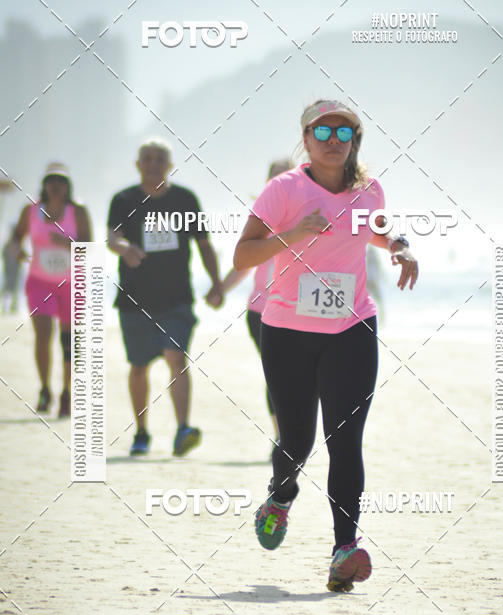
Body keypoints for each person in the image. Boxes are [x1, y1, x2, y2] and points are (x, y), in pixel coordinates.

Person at [233, 100, 418, 592]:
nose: (333, 139)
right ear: (306, 139)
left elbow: (378, 230)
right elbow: (243, 254)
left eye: (343, 131)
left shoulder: (368, 191)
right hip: (287, 333)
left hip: (352, 329)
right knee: (297, 440)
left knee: (346, 442)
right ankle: (280, 497)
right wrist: (291, 235)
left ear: (355, 140)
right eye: (322, 131)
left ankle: (344, 549)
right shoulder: (283, 190)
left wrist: (400, 246)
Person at [107, 139, 224, 456]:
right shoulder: (124, 199)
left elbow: (203, 244)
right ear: (138, 164)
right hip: (134, 299)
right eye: (147, 158)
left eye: (160, 159)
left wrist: (217, 283)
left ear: (169, 165)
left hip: (177, 298)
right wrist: (125, 249)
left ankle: (182, 428)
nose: (153, 164)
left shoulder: (185, 199)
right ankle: (141, 432)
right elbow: (112, 238)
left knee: (176, 357)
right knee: (139, 366)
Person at [219, 158, 293, 442]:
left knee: (298, 375)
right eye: (275, 178)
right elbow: (245, 262)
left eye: (287, 177)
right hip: (261, 312)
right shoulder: (261, 219)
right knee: (277, 373)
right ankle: (282, 436)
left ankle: (291, 434)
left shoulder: (309, 218)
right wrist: (221, 289)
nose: (281, 183)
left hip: (301, 313)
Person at [10, 163, 92, 416]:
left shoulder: (78, 211)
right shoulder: (30, 211)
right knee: (43, 334)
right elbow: (16, 237)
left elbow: (90, 247)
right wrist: (18, 250)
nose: (56, 186)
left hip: (71, 284)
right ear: (44, 185)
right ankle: (45, 388)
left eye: (61, 181)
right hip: (39, 281)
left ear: (68, 186)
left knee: (68, 339)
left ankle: (66, 392)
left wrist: (68, 244)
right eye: (51, 181)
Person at [2, 228, 23, 313]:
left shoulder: (13, 244)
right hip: (12, 269)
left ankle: (11, 306)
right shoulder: (15, 244)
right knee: (10, 288)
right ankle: (8, 306)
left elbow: (4, 254)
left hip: (12, 269)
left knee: (11, 288)